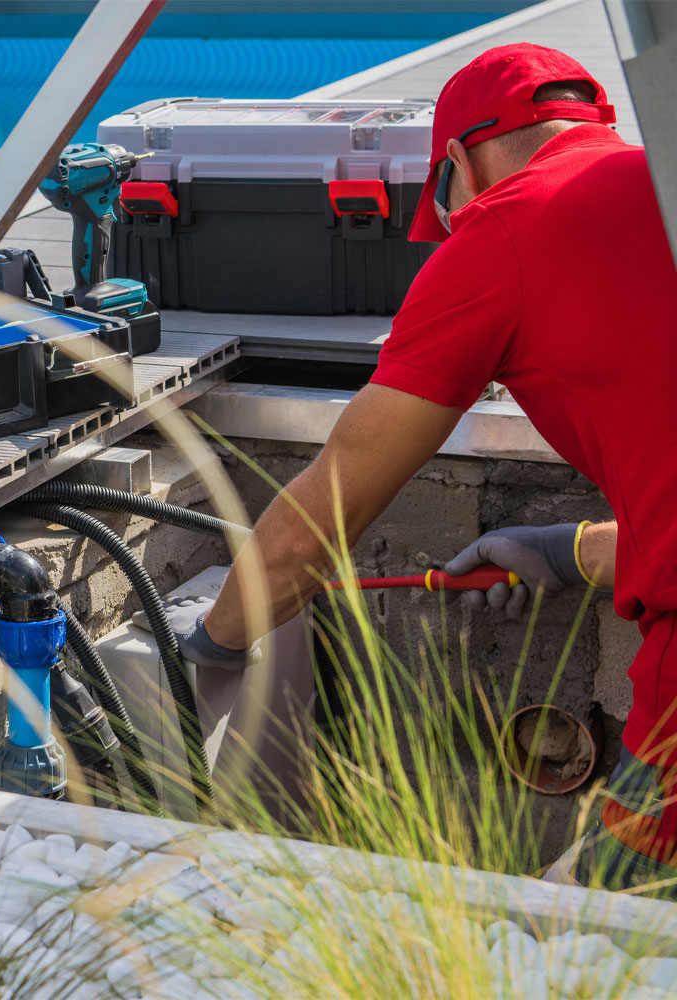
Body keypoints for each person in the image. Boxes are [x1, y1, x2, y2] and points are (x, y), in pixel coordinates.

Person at [168, 42, 677, 893]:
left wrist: (214, 641)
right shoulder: (656, 182)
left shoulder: (503, 228)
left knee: (560, 938)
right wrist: (568, 547)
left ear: (457, 162)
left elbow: (319, 525)